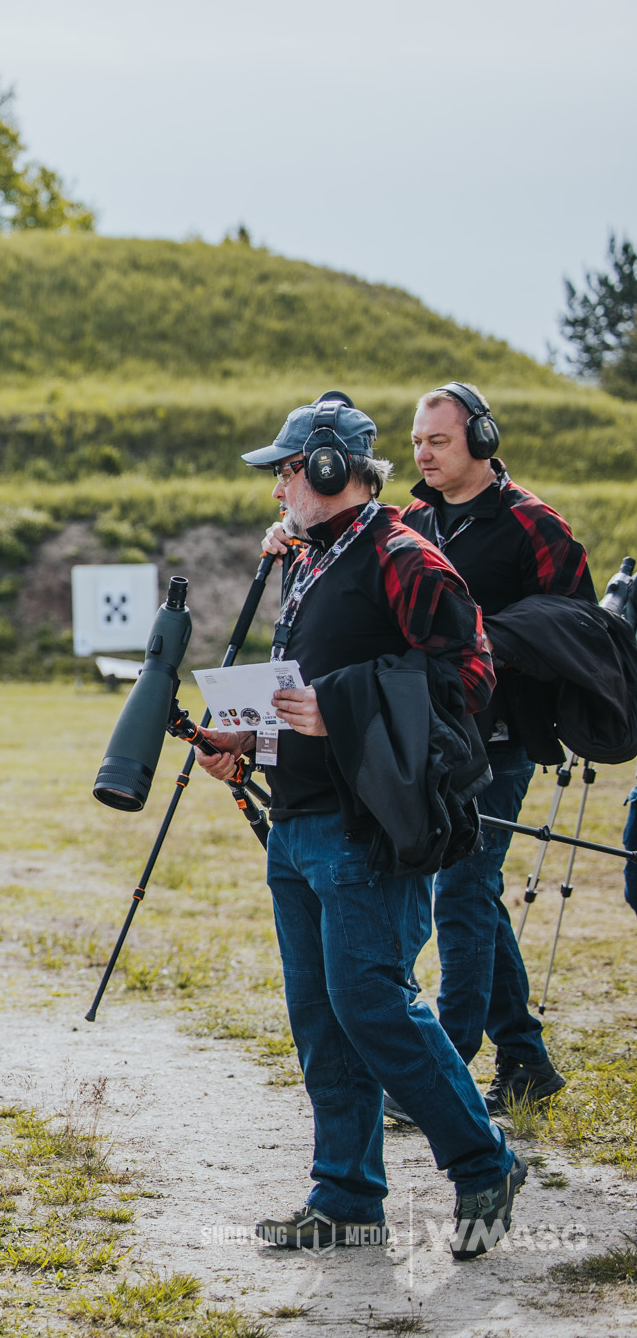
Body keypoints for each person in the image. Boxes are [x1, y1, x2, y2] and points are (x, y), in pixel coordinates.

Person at [200, 394, 525, 1260]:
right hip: (298, 820)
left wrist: (339, 707)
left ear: (330, 468)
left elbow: (469, 677)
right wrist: (246, 741)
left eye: (287, 471)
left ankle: (485, 1160)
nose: (278, 489)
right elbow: (303, 688)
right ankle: (345, 1195)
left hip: (366, 827)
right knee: (320, 1019)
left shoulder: (403, 556)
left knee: (372, 1005)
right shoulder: (311, 560)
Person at [399, 384, 589, 1115]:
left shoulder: (533, 523)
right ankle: (526, 1059)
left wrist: (494, 640)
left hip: (504, 741)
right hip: (432, 736)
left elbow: (576, 626)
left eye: (438, 441)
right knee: (472, 888)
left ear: (481, 438)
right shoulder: (411, 522)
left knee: (461, 888)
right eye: (418, 442)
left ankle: (442, 1071)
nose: (424, 455)